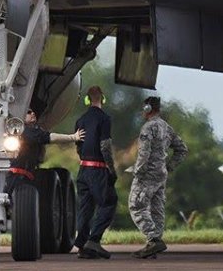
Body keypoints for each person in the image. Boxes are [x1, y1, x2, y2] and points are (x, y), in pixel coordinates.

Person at [128, 96, 188, 259]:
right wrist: (169, 166)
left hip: (147, 174)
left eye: (143, 108)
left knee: (136, 206)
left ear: (148, 109)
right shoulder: (166, 127)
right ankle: (153, 245)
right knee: (157, 209)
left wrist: (138, 172)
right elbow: (182, 149)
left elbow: (144, 153)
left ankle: (153, 239)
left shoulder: (148, 128)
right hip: (161, 174)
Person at [73, 85, 116, 260]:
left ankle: (83, 246)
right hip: (98, 169)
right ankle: (94, 240)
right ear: (102, 99)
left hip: (83, 169)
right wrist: (111, 169)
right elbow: (105, 146)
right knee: (109, 202)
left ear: (87, 100)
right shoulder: (104, 119)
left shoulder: (80, 120)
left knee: (85, 207)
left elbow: (78, 145)